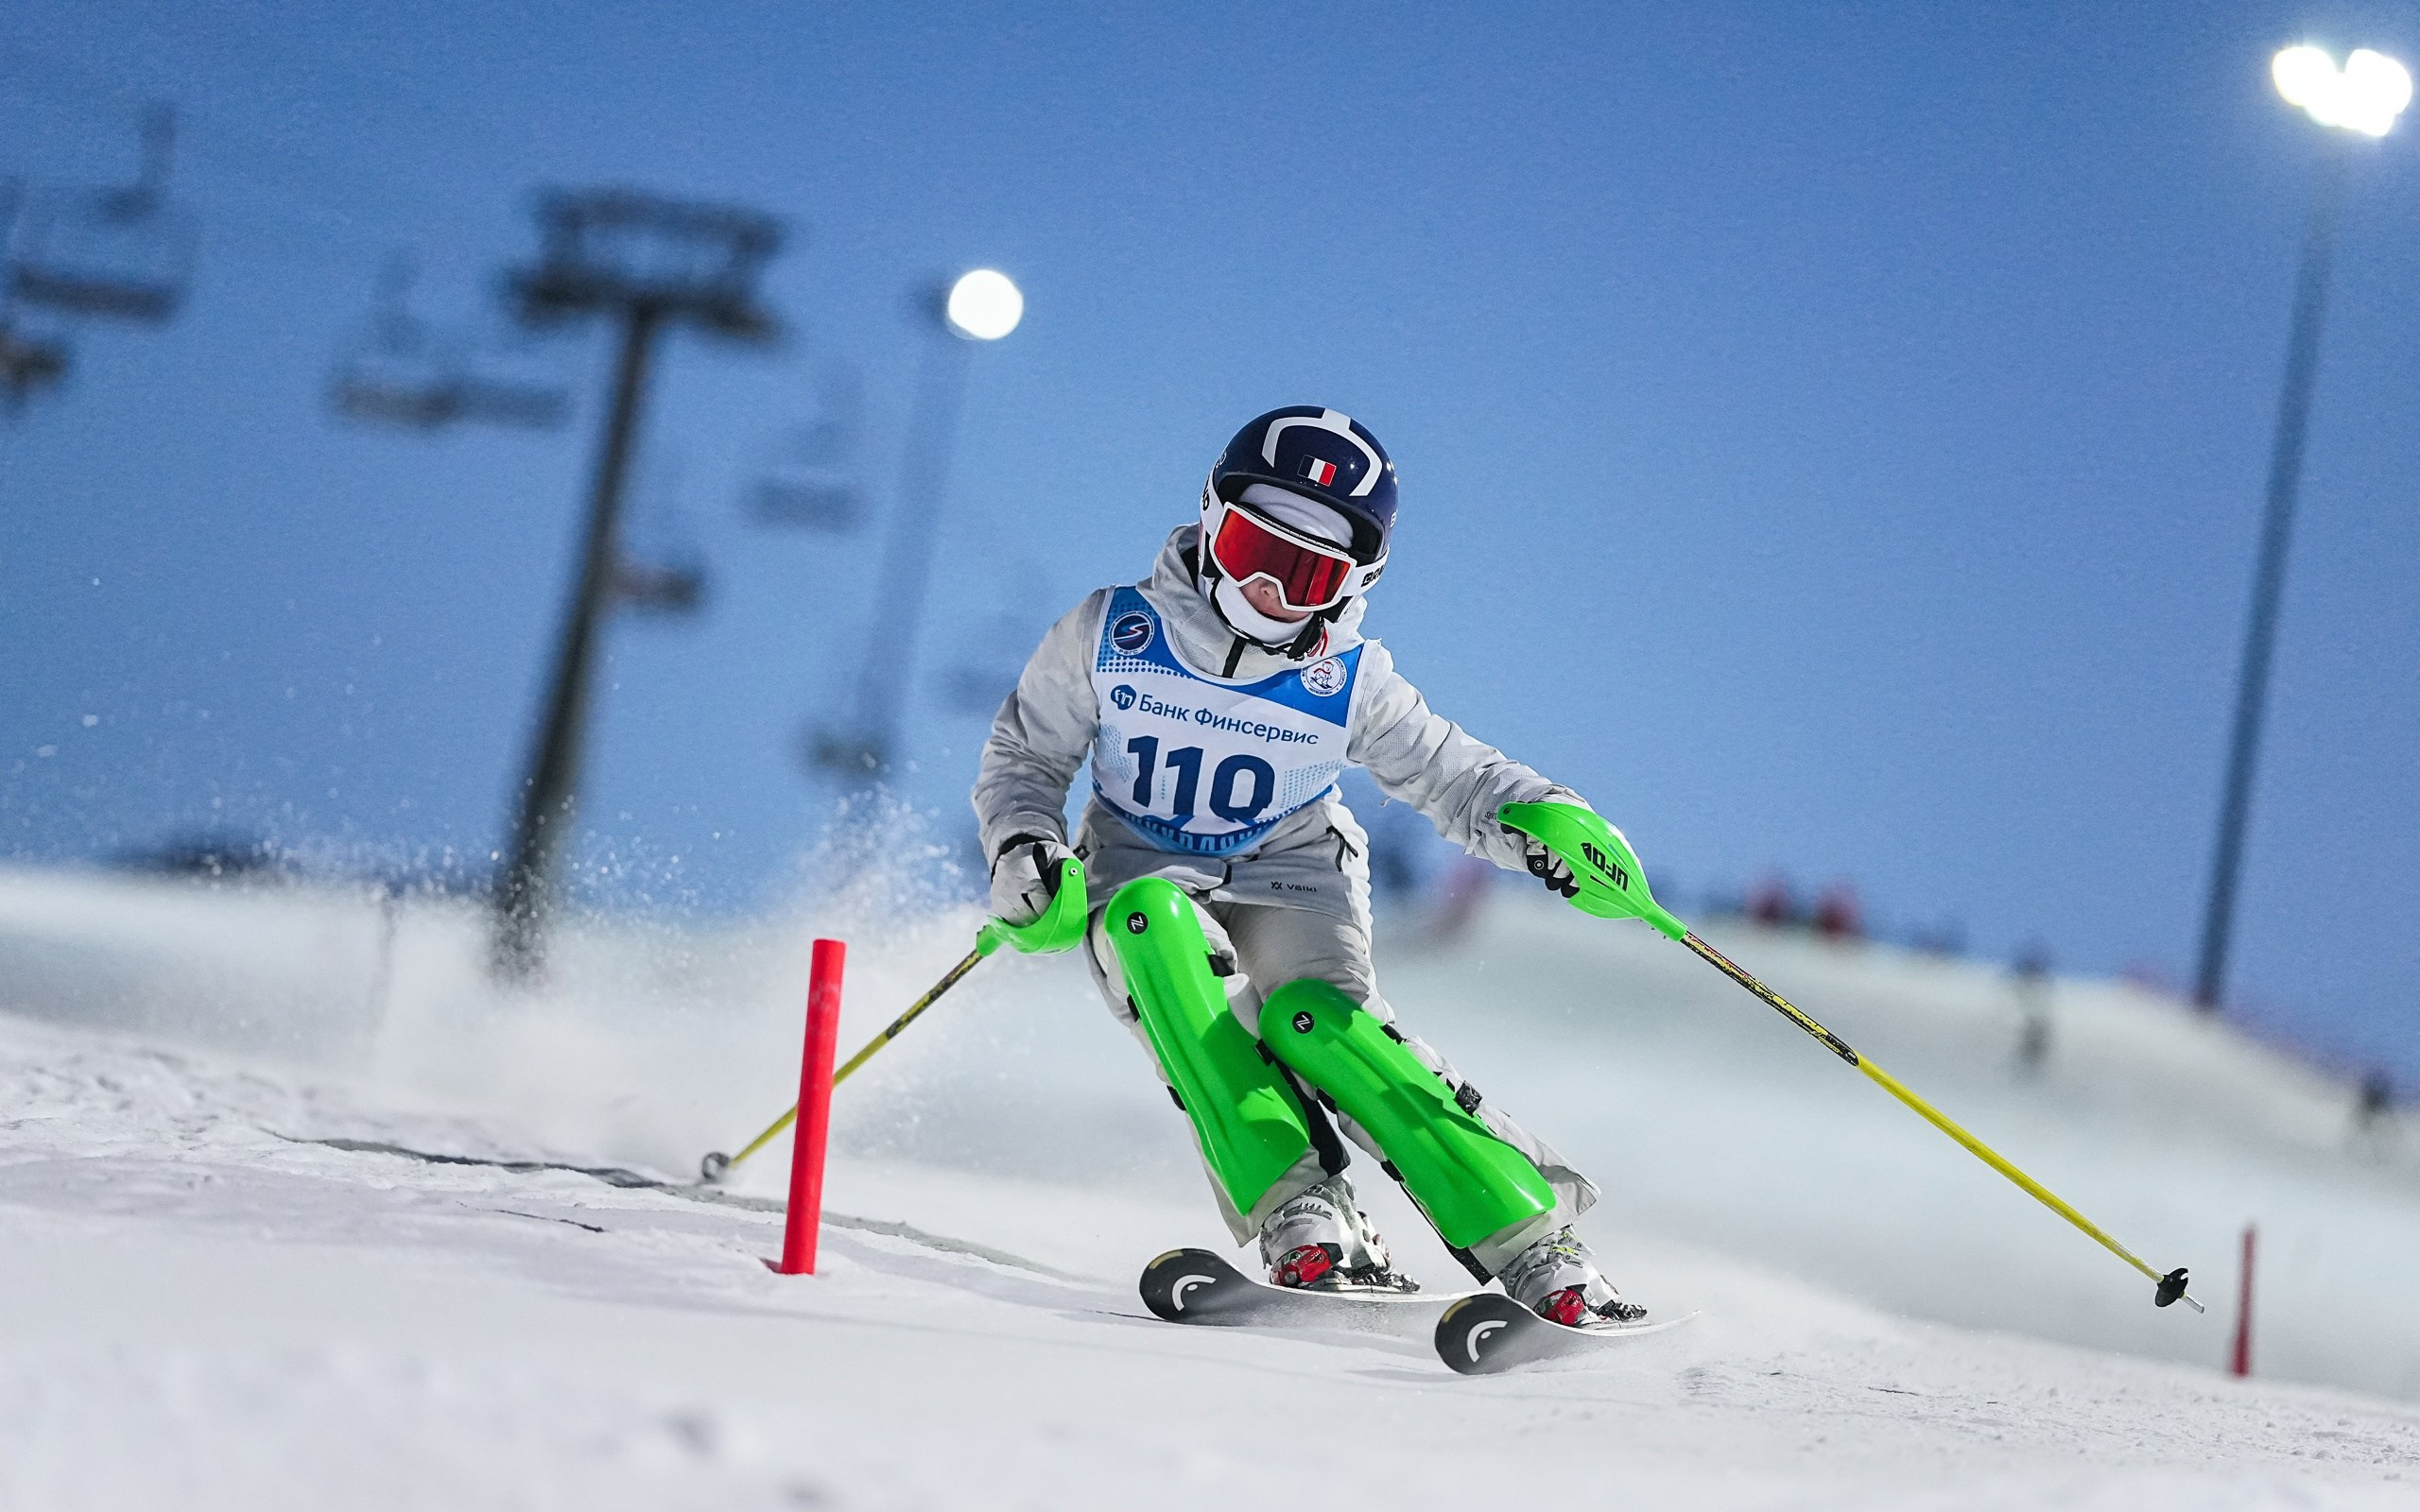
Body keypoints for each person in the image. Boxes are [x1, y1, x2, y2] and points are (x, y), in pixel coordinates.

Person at [971, 405, 1642, 1326]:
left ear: (1353, 581)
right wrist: (1024, 847)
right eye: (1252, 546)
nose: (1266, 588)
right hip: (1141, 863)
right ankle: (1300, 1208)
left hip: (1291, 870)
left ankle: (1534, 1242)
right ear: (1210, 518)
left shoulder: (1346, 678)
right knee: (1151, 939)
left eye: (1305, 574)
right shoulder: (1110, 632)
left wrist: (1542, 821)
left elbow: (1458, 777)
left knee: (1316, 1020)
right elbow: (1024, 757)